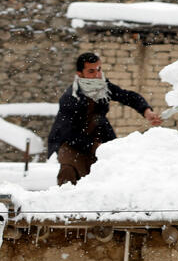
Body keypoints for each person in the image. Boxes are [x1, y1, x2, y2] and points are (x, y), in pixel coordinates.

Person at [48, 52, 162, 185]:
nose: (97, 74)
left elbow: (128, 96)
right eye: (91, 71)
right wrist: (94, 145)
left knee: (109, 177)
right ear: (80, 74)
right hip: (72, 145)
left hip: (99, 138)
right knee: (68, 175)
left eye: (99, 69)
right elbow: (67, 133)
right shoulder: (70, 98)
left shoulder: (103, 87)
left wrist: (146, 111)